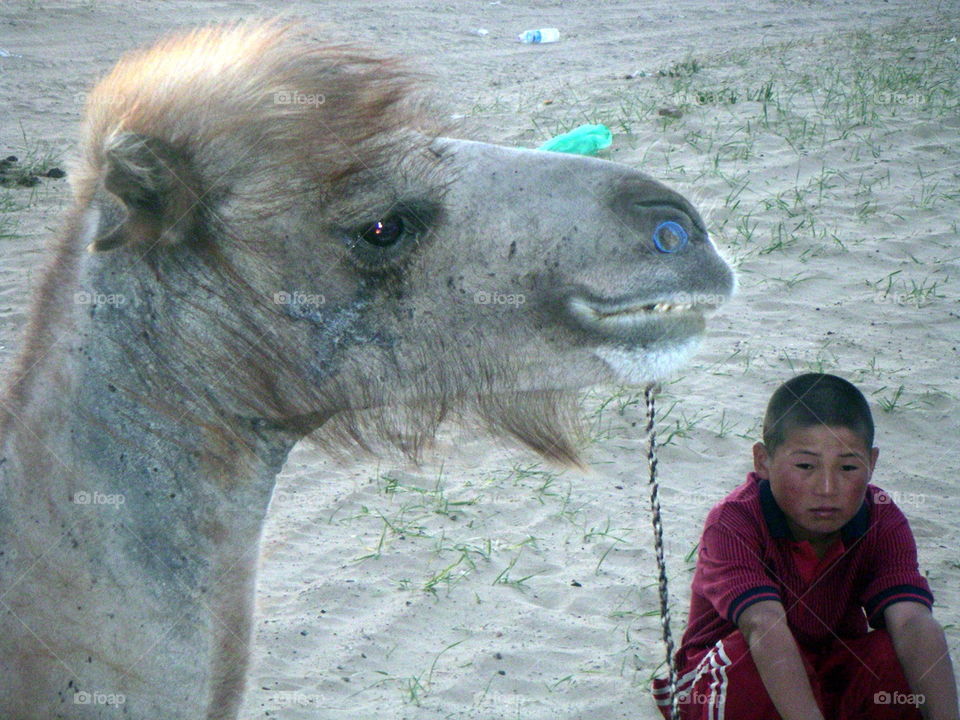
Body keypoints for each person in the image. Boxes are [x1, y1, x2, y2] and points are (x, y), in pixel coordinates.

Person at [653, 373, 959, 720]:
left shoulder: (881, 518)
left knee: (892, 656)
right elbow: (762, 626)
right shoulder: (734, 521)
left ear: (872, 463)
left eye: (847, 467)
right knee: (746, 661)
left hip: (826, 670)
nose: (827, 487)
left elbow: (911, 622)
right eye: (805, 466)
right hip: (731, 677)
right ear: (763, 461)